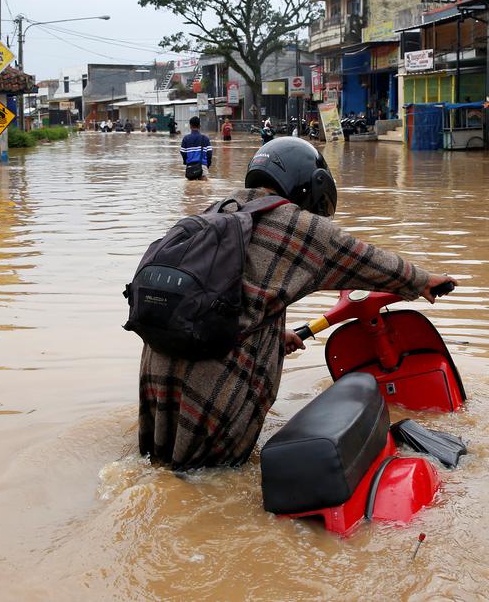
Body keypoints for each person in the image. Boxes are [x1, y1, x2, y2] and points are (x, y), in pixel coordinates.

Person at [138, 137, 454, 470]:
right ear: (310, 185)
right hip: (216, 380)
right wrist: (423, 281)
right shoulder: (304, 228)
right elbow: (370, 262)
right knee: (209, 478)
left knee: (156, 468)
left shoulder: (222, 209)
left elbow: (229, 296)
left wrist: (276, 335)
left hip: (158, 365)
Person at [179, 115, 212, 180]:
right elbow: (209, 154)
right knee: (204, 187)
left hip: (190, 167)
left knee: (190, 188)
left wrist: (186, 162)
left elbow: (182, 152)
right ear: (200, 126)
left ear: (190, 126)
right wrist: (207, 164)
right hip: (202, 166)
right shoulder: (205, 138)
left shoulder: (186, 138)